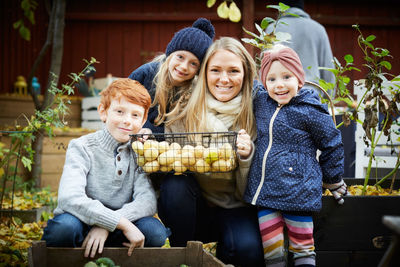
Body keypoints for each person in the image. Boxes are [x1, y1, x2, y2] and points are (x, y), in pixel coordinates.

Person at [159, 37, 264, 267]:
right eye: (215, 70)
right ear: (204, 73)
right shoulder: (185, 110)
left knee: (248, 252)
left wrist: (246, 158)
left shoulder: (257, 113)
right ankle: (181, 258)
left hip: (237, 206)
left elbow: (254, 191)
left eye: (233, 71)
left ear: (246, 74)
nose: (224, 79)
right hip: (192, 208)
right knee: (174, 185)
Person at [244, 44, 347, 267]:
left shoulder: (310, 109)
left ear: (299, 78)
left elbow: (332, 143)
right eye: (271, 79)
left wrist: (332, 179)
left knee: (302, 247)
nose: (279, 84)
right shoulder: (262, 101)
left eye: (286, 76)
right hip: (266, 192)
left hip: (298, 193)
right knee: (271, 249)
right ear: (264, 82)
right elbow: (245, 85)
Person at [42, 78, 170, 258]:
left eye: (135, 115)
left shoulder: (138, 151)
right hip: (81, 221)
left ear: (142, 121)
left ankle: (113, 252)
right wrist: (118, 223)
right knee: (64, 229)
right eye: (119, 111)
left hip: (122, 224)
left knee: (155, 232)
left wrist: (107, 225)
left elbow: (147, 201)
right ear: (103, 112)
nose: (127, 121)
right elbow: (69, 197)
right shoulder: (82, 147)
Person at [128, 18, 215, 134]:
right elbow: (124, 104)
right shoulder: (145, 74)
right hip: (134, 136)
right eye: (180, 57)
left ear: (199, 70)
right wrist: (145, 128)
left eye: (193, 63)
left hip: (170, 146)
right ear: (170, 54)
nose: (184, 66)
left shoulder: (194, 91)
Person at [268, 0, 335, 90]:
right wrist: (327, 100)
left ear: (280, 7)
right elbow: (328, 71)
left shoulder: (272, 29)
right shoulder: (318, 29)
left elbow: (265, 67)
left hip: (279, 95)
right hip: (311, 94)